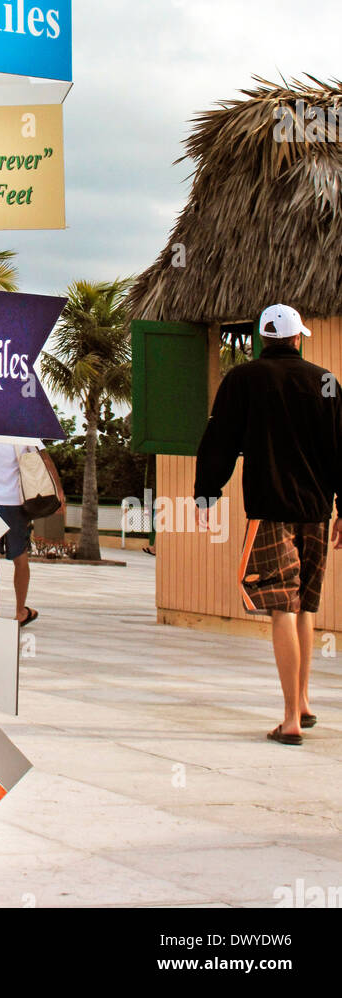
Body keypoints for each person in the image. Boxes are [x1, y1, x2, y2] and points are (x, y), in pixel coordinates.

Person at [195, 304, 342, 745]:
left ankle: (290, 720)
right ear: (298, 338)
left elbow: (219, 438)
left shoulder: (243, 380)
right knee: (305, 607)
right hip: (316, 511)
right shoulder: (327, 382)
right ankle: (302, 703)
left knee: (282, 605)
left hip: (270, 510)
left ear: (263, 339)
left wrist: (207, 490)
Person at [0, 439, 65, 625]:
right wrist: (59, 493)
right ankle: (20, 611)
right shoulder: (21, 427)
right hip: (17, 503)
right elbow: (45, 460)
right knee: (21, 558)